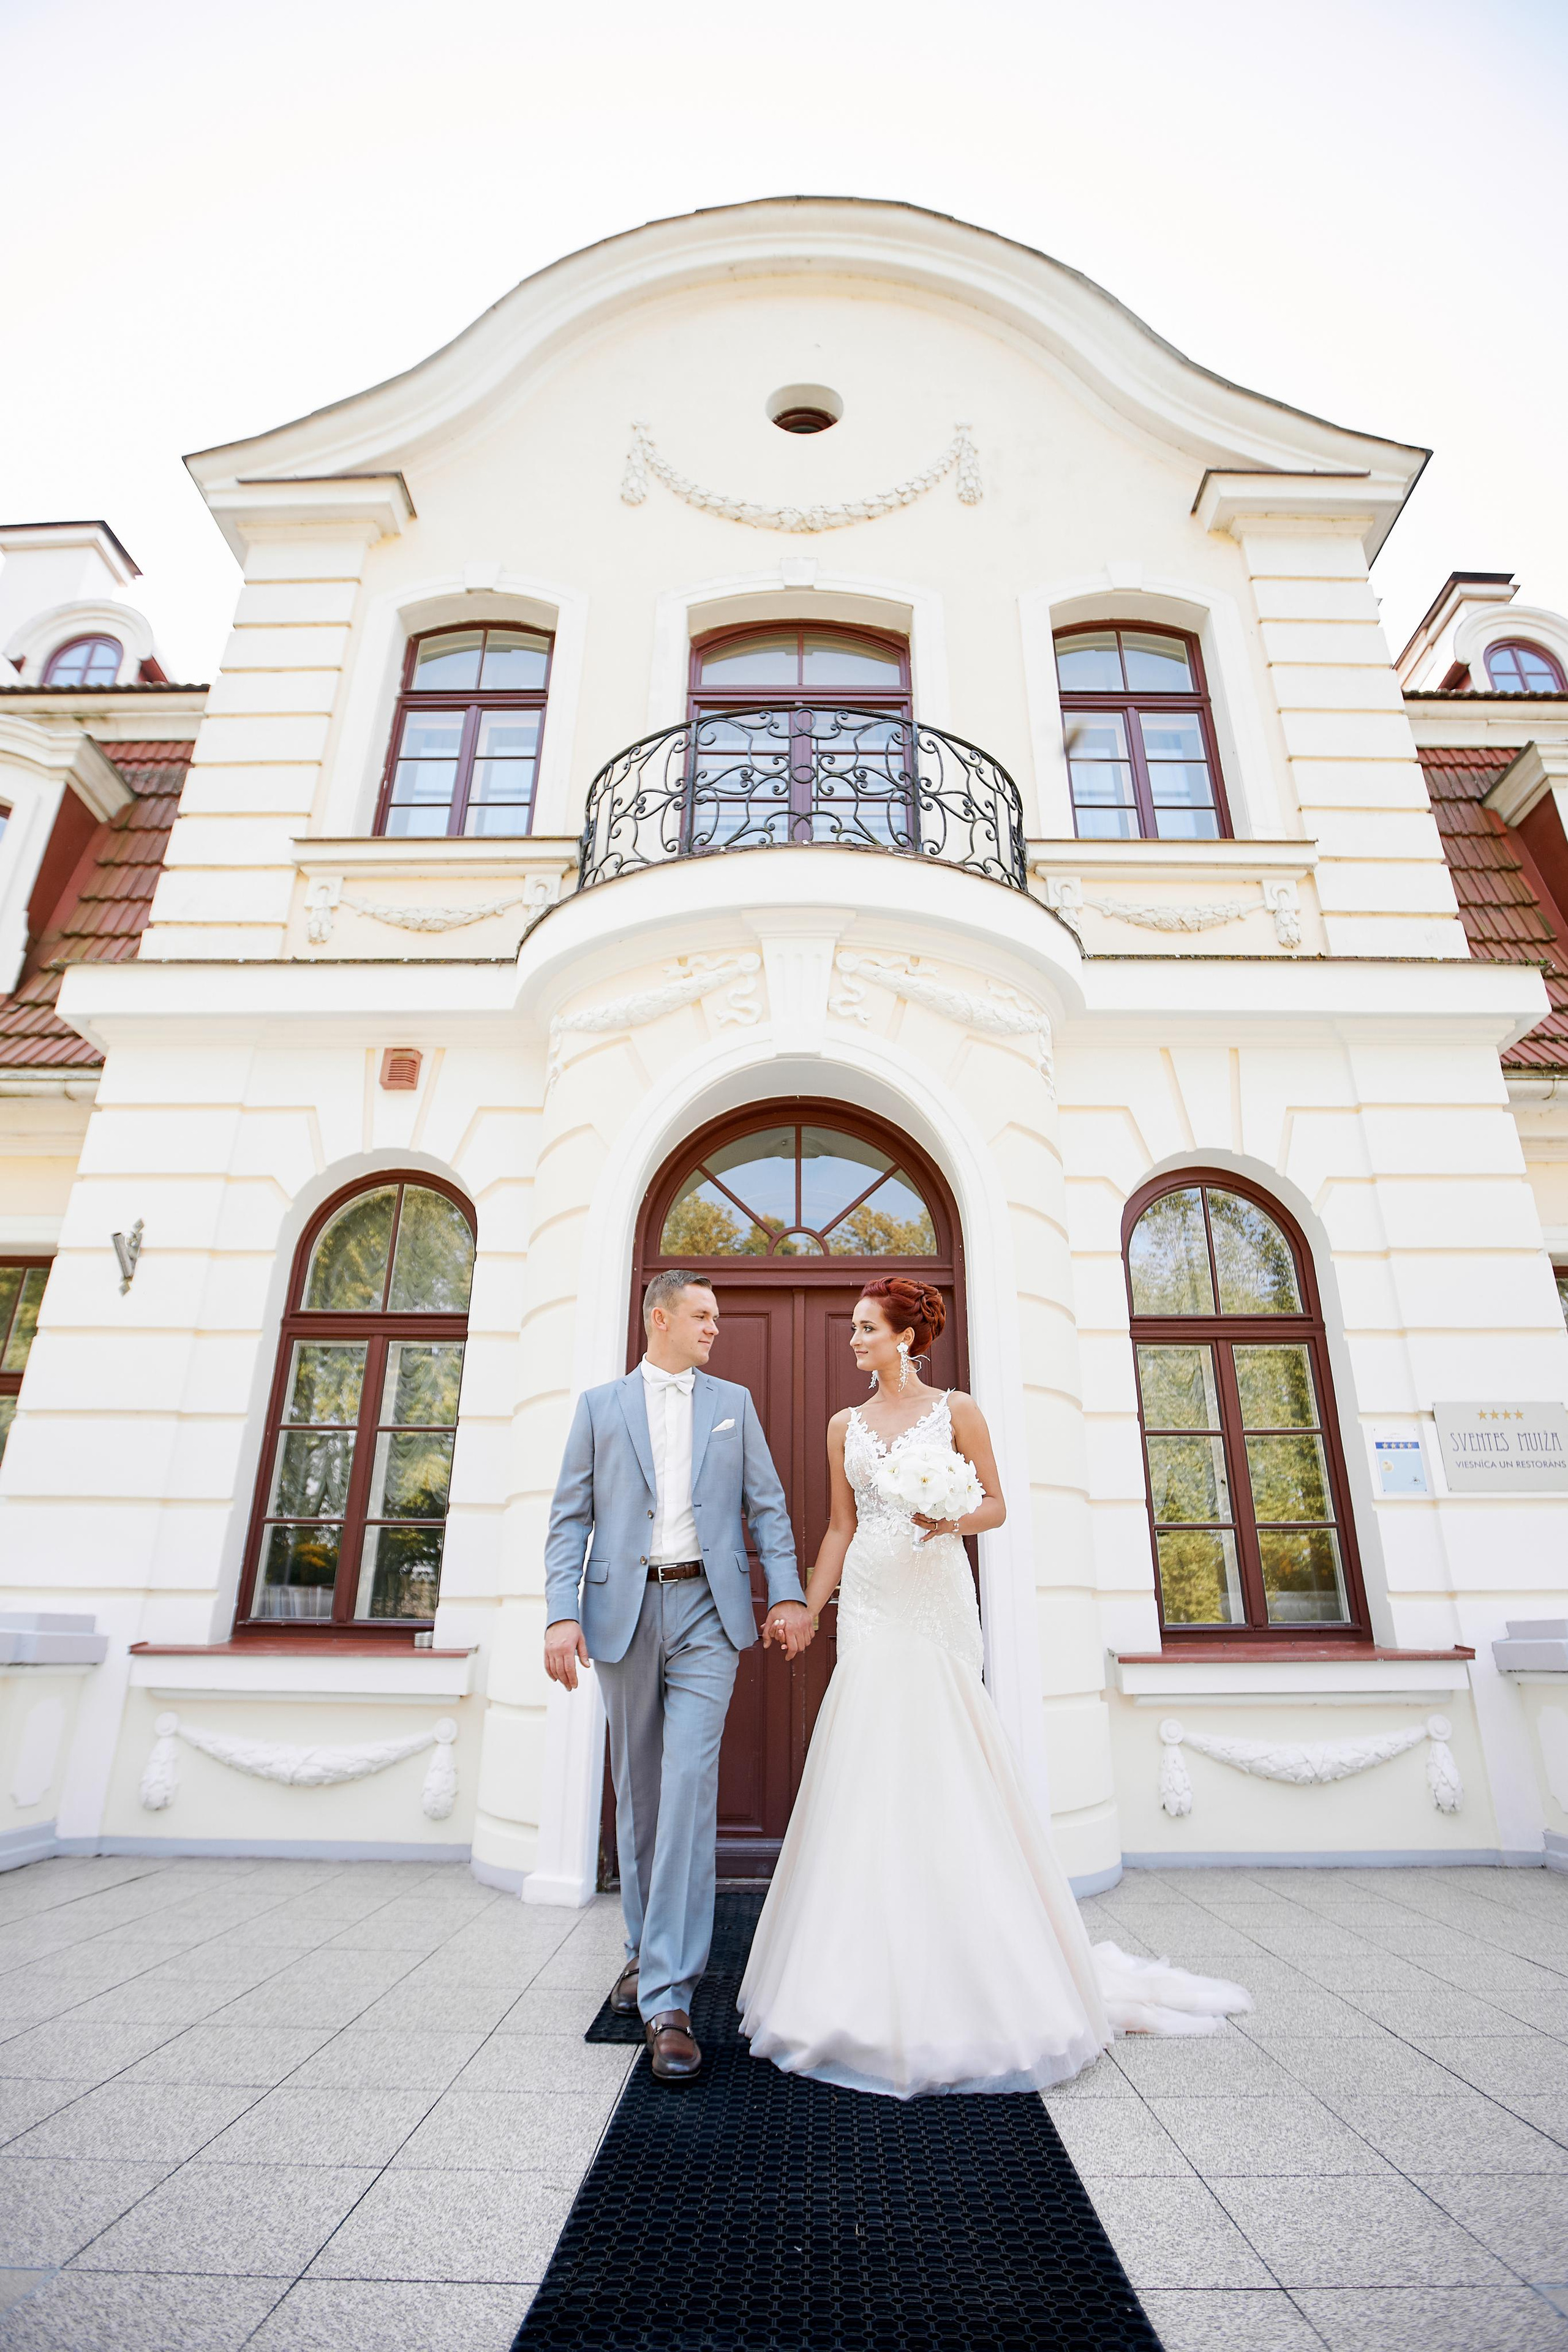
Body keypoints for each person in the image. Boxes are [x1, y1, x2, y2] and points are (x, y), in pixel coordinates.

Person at [739, 1276, 1250, 2098]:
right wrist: (806, 1607)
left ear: (906, 1337)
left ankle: (977, 1954)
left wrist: (950, 1516)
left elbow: (998, 1505)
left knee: (944, 1751)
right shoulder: (843, 1425)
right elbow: (839, 1527)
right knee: (869, 1757)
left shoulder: (958, 1411)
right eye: (855, 1330)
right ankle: (855, 1973)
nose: (854, 1340)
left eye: (866, 1329)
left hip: (936, 1595)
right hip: (870, 1599)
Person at [543, 1270, 813, 2082]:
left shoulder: (733, 1404)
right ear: (658, 1319)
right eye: (702, 1315)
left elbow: (767, 1507)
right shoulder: (599, 1407)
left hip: (707, 1612)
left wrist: (788, 1593)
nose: (715, 1328)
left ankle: (668, 1997)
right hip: (621, 1613)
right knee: (641, 1795)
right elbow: (570, 1517)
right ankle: (642, 1949)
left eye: (717, 1317)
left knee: (690, 1788)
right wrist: (560, 1613)